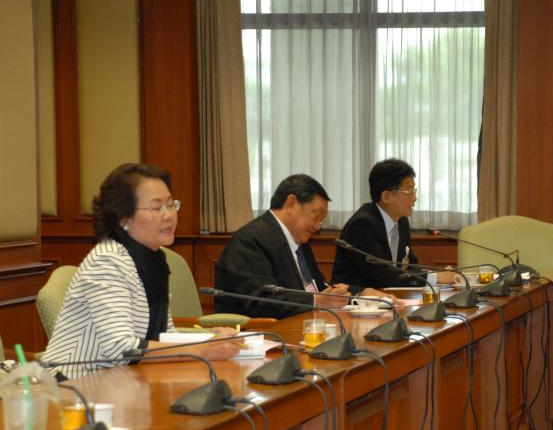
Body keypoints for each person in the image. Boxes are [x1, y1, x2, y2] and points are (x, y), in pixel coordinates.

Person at [43, 164, 240, 379]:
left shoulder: (153, 259)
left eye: (171, 204)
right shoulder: (107, 261)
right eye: (156, 208)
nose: (169, 215)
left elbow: (164, 336)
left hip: (126, 379)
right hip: (77, 384)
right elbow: (121, 349)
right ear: (123, 218)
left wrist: (208, 338)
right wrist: (202, 349)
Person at [214, 174, 393, 319]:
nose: (318, 227)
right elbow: (258, 300)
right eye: (316, 216)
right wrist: (317, 301)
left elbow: (320, 289)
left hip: (302, 327)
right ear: (291, 203)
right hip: (260, 337)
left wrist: (360, 294)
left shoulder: (299, 241)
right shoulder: (251, 239)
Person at [331, 158, 425, 288]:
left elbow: (411, 264)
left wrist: (435, 275)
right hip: (355, 298)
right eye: (409, 191)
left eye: (414, 190)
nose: (414, 198)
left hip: (389, 296)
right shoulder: (362, 225)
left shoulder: (401, 221)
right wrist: (433, 277)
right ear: (386, 196)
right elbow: (381, 276)